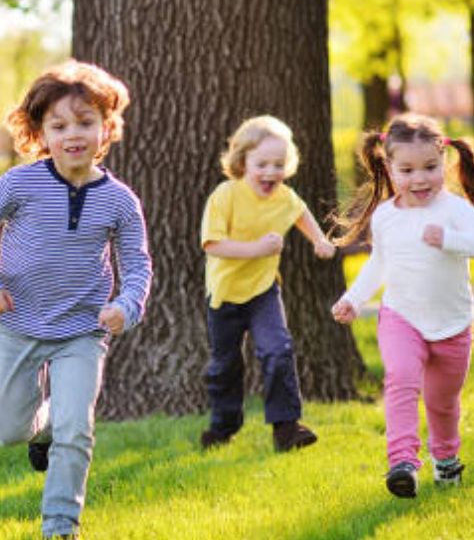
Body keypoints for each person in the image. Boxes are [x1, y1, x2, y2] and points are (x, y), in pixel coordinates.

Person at [0, 60, 152, 540]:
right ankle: (43, 423)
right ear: (39, 132)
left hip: (83, 332)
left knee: (78, 429)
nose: (74, 134)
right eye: (60, 125)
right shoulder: (18, 183)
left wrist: (126, 307)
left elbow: (137, 266)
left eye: (86, 123)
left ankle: (60, 525)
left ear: (106, 129)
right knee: (9, 430)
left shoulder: (120, 201)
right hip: (20, 324)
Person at [331, 113, 474, 498]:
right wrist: (353, 298)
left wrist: (448, 240)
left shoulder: (457, 211)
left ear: (444, 160)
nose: (420, 179)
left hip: (453, 325)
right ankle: (403, 464)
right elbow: (379, 264)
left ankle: (446, 460)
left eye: (429, 167)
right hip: (401, 317)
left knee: (443, 404)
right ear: (389, 167)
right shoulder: (385, 216)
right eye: (407, 170)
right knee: (401, 381)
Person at [199, 115, 335, 452]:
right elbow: (213, 245)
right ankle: (223, 425)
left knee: (277, 350)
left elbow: (301, 211)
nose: (271, 172)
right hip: (225, 295)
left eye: (279, 164)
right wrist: (258, 249)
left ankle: (287, 429)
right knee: (225, 366)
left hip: (263, 291)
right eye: (262, 164)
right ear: (242, 161)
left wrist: (319, 240)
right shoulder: (226, 194)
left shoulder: (284, 196)